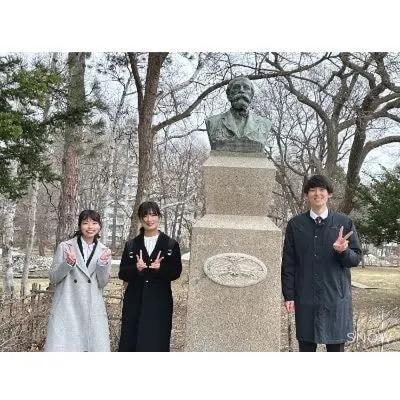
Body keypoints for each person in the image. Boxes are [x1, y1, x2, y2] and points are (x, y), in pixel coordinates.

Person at [281, 175, 362, 352]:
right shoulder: (296, 225)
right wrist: (289, 295)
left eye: (322, 189)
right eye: (312, 190)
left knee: (336, 350)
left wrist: (343, 251)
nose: (317, 193)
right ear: (306, 195)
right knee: (306, 348)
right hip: (305, 297)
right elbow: (289, 263)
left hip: (336, 298)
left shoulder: (344, 223)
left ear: (329, 194)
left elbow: (355, 258)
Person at [118, 201, 182, 352]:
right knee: (130, 342)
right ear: (140, 218)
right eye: (145, 215)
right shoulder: (131, 245)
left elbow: (176, 272)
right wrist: (136, 268)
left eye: (153, 215)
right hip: (134, 303)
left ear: (159, 217)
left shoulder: (170, 244)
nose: (149, 219)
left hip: (159, 303)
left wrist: (161, 268)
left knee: (156, 342)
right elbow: (122, 273)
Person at [44, 210, 112, 352]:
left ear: (100, 226)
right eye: (85, 223)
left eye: (94, 223)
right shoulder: (65, 247)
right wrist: (68, 264)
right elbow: (53, 277)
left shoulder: (104, 251)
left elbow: (103, 283)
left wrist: (102, 265)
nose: (90, 227)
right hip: (67, 307)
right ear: (80, 226)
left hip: (92, 310)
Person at [205, 76, 272, 152]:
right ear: (229, 95)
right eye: (237, 87)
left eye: (246, 88)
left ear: (251, 95)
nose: (241, 90)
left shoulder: (264, 124)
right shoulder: (213, 122)